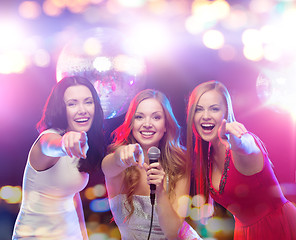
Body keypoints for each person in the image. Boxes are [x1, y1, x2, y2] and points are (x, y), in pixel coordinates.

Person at [186, 80, 296, 240]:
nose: (206, 116)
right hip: (244, 234)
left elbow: (246, 146)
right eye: (198, 109)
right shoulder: (208, 153)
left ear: (226, 112)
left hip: (279, 229)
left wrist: (235, 140)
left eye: (214, 109)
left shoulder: (243, 141)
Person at [12, 76, 105, 240]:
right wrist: (64, 143)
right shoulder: (47, 140)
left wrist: (84, 236)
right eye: (72, 103)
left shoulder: (84, 143)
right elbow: (52, 145)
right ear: (61, 108)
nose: (82, 109)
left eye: (88, 102)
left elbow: (71, 194)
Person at [101, 89, 202, 240]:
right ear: (131, 123)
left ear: (166, 125)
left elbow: (172, 232)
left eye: (156, 117)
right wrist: (121, 155)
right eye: (140, 117)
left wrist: (160, 192)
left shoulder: (180, 164)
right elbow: (108, 166)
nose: (147, 124)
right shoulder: (117, 163)